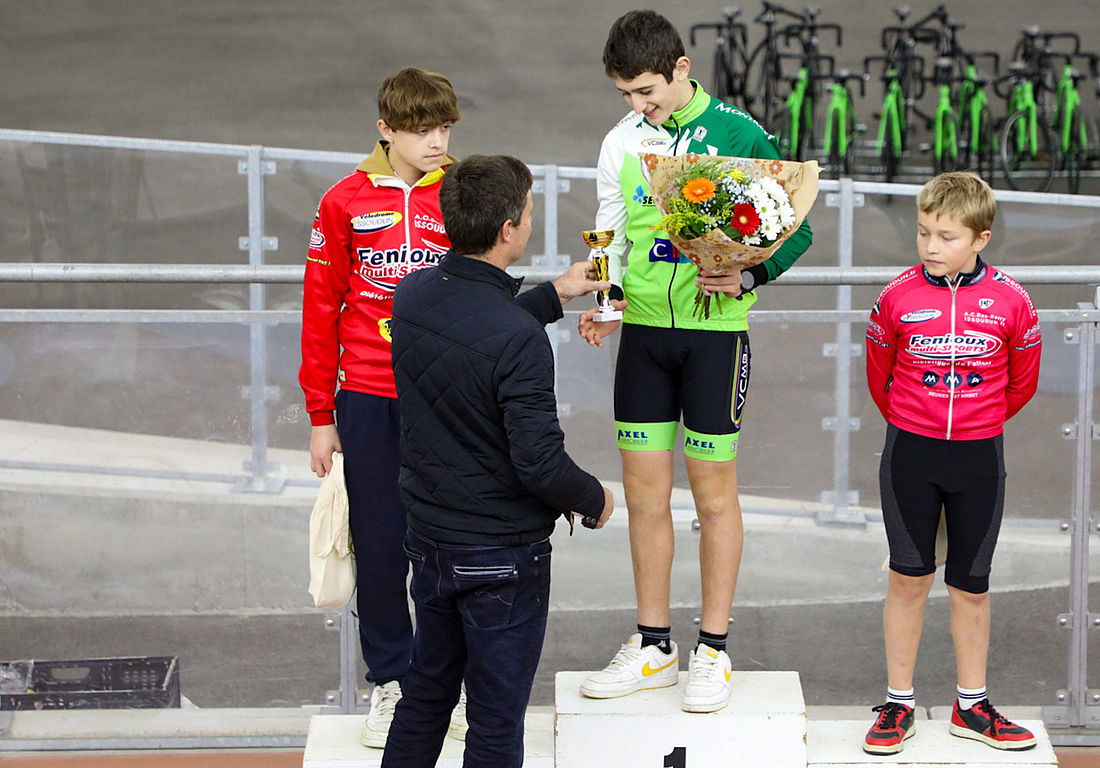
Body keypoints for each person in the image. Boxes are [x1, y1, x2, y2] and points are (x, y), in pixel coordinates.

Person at [576, 10, 812, 714]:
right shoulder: (620, 140)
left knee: (713, 498)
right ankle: (654, 645)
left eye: (646, 91)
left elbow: (796, 228)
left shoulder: (737, 132)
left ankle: (713, 648)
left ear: (681, 68)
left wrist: (749, 276)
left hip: (715, 336)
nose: (637, 106)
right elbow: (608, 230)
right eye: (625, 94)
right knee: (645, 496)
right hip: (645, 337)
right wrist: (609, 302)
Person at [382, 154, 615, 768]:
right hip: (501, 555)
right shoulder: (518, 341)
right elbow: (540, 464)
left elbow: (473, 333)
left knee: (425, 695)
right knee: (494, 720)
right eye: (529, 213)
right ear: (509, 229)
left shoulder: (413, 294)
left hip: (430, 538)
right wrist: (594, 498)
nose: (531, 222)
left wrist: (555, 294)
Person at [298, 67, 466, 748]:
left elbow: (483, 293)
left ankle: (444, 682)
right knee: (379, 544)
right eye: (421, 130)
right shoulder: (342, 201)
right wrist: (320, 415)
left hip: (446, 398)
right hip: (366, 398)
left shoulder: (462, 193)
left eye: (445, 128)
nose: (437, 142)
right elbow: (319, 311)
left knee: (450, 544)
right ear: (385, 131)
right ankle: (392, 681)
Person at [862, 171, 1042, 754]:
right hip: (911, 453)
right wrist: (920, 421)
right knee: (908, 578)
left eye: (946, 236)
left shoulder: (1013, 300)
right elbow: (880, 379)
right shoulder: (896, 296)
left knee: (971, 585)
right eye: (923, 233)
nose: (931, 246)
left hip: (979, 455)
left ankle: (972, 707)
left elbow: (1021, 385)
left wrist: (972, 421)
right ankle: (898, 704)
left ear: (980, 239)